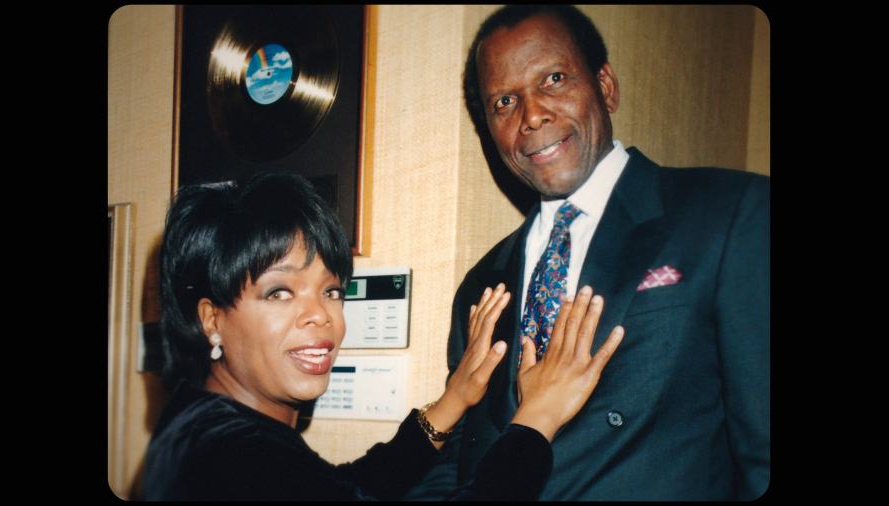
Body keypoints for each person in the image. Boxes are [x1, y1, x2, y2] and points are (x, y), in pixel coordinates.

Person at [405, 5, 770, 501]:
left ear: (606, 86)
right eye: (504, 101)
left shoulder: (730, 215)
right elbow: (460, 464)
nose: (532, 115)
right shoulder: (482, 283)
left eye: (554, 79)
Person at [141, 172, 624, 500]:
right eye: (280, 293)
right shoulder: (231, 457)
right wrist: (537, 417)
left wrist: (450, 403)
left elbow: (341, 487)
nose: (321, 316)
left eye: (331, 290)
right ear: (211, 319)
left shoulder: (203, 423)